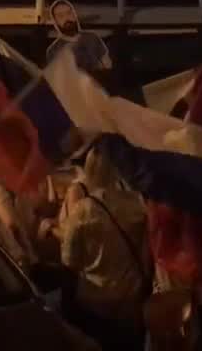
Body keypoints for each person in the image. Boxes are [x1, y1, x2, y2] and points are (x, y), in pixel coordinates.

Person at [53, 148, 148, 351]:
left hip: (95, 300)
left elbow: (69, 259)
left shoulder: (84, 209)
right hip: (131, 297)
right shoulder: (135, 204)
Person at [46, 0, 112, 74]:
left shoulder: (92, 37)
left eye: (69, 13)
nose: (67, 18)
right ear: (55, 21)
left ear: (74, 15)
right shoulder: (53, 51)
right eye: (61, 16)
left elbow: (107, 65)